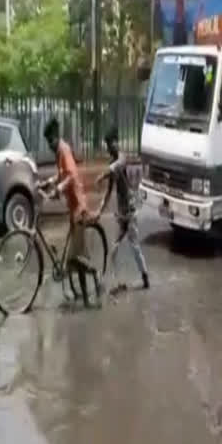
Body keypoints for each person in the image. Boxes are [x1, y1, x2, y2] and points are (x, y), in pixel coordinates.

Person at [41, 117, 101, 307]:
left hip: (79, 210)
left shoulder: (64, 150)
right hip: (73, 211)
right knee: (73, 260)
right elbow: (61, 175)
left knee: (74, 259)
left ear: (55, 137)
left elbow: (72, 176)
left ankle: (96, 274)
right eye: (47, 141)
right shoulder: (60, 152)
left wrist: (58, 189)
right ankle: (84, 300)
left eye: (50, 140)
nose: (49, 145)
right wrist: (48, 183)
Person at [91, 127, 150, 293]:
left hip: (130, 212)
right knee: (114, 249)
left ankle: (145, 277)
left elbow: (115, 168)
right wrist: (99, 211)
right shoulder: (111, 163)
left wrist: (101, 176)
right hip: (122, 213)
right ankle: (118, 282)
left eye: (110, 143)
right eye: (108, 144)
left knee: (134, 246)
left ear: (116, 143)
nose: (109, 147)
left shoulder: (122, 159)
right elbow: (109, 191)